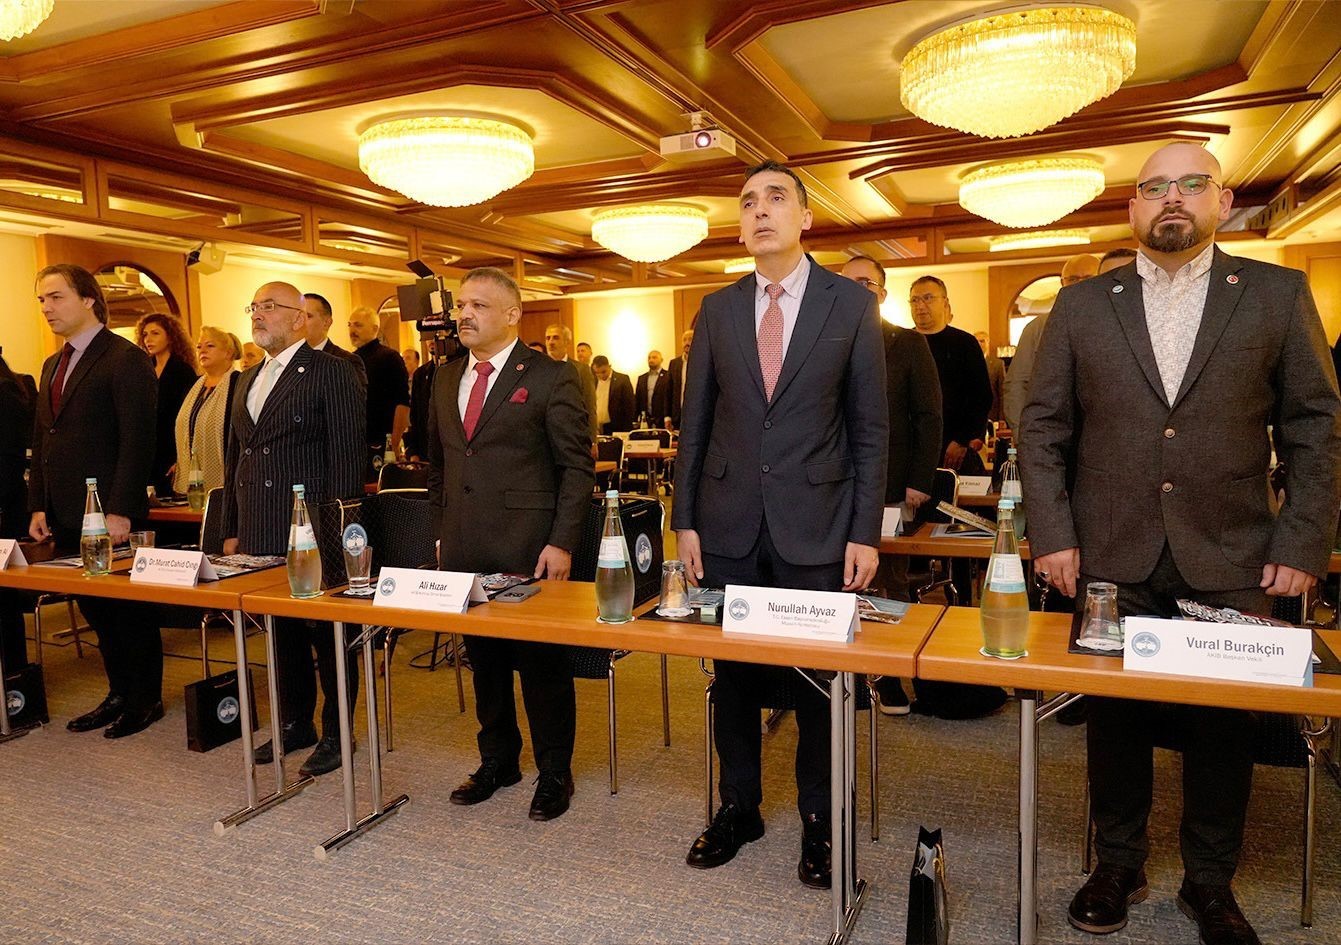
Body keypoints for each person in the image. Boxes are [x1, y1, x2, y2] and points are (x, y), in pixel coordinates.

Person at [1021, 142, 1341, 945]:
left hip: (1234, 551)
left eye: (1190, 184)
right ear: (1132, 208)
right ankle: (1116, 863)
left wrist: (1303, 539)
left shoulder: (1275, 293)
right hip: (1108, 552)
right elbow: (1043, 427)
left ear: (1221, 202)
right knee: (1114, 719)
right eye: (1153, 187)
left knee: (1221, 726)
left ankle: (1208, 881)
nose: (1171, 198)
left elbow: (1314, 426)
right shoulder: (1080, 305)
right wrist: (1052, 533)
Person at [673, 161, 887, 888]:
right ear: (739, 226)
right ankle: (739, 808)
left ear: (804, 217)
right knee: (732, 679)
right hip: (727, 522)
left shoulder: (848, 304)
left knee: (818, 684)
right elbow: (695, 423)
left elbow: (869, 429)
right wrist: (684, 519)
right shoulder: (717, 308)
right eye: (747, 202)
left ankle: (820, 821)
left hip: (818, 525)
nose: (759, 211)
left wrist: (864, 531)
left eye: (775, 198)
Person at [427, 267, 593, 821]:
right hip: (464, 545)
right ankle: (498, 760)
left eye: (478, 305)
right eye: (461, 305)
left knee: (542, 669)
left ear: (513, 314)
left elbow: (576, 469)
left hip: (530, 547)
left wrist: (562, 542)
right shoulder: (444, 378)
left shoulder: (551, 376)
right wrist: (441, 531)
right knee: (486, 664)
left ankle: (554, 771)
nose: (464, 314)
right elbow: (439, 465)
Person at [221, 282, 366, 776]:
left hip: (315, 527)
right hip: (260, 525)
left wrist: (342, 535)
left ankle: (337, 732)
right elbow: (235, 459)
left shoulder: (331, 370)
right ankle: (294, 723)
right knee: (280, 633)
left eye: (270, 307)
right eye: (254, 306)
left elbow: (347, 457)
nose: (258, 315)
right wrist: (231, 528)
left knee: (329, 635)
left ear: (300, 318)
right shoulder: (247, 377)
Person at [29, 264, 163, 738]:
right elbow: (44, 438)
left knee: (127, 610)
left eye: (56, 297)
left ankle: (145, 700)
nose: (46, 308)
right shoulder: (53, 363)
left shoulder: (125, 358)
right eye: (41, 300)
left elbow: (138, 441)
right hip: (67, 511)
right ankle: (118, 692)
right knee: (96, 609)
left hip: (109, 512)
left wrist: (121, 509)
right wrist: (39, 504)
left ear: (88, 299)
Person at [840, 255, 942, 715]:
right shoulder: (823, 338)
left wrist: (919, 480)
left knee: (889, 582)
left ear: (882, 293)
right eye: (849, 282)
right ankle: (848, 676)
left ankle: (891, 676)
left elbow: (928, 415)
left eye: (868, 283)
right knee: (837, 583)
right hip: (832, 486)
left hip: (891, 483)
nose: (859, 290)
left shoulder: (907, 343)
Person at [1003, 253, 1100, 435]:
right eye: (1073, 279)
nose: (1079, 284)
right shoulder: (1037, 328)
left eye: (1088, 278)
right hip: (1051, 433)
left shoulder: (1115, 323)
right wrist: (1021, 432)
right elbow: (1017, 384)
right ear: (1062, 283)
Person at [909, 276, 991, 474]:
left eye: (928, 298)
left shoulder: (965, 343)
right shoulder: (902, 343)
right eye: (914, 300)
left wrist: (962, 439)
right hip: (911, 448)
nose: (920, 306)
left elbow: (981, 396)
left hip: (954, 448)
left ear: (945, 303)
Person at [172, 326, 240, 496]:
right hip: (192, 473)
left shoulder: (238, 383)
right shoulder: (195, 386)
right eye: (199, 347)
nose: (202, 351)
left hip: (231, 474)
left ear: (228, 353)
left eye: (210, 346)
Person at [137, 312, 199, 496]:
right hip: (148, 449)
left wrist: (181, 458)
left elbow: (188, 417)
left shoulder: (182, 371)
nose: (148, 339)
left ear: (170, 337)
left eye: (155, 333)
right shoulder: (143, 369)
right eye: (145, 334)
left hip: (172, 448)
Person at [0, 351, 34, 673]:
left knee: (3, 603)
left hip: (4, 508)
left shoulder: (6, 390)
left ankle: (13, 674)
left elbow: (10, 463)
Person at [348, 305, 409, 465]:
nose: (352, 330)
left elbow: (402, 403)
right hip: (356, 441)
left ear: (374, 328)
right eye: (350, 325)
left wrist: (394, 442)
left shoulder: (390, 357)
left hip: (382, 440)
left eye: (358, 325)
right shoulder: (349, 360)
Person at [544, 323, 598, 447]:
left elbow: (590, 405)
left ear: (567, 342)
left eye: (556, 338)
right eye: (548, 338)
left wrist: (592, 440)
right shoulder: (539, 368)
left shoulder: (581, 370)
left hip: (573, 435)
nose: (551, 342)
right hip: (545, 437)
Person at [303, 293, 367, 391]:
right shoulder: (288, 358)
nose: (300, 321)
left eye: (308, 316)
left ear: (326, 323)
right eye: (298, 316)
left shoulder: (346, 362)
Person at [591, 354, 635, 434]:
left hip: (616, 426)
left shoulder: (622, 380)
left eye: (603, 372)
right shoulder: (593, 381)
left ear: (609, 366)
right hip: (597, 426)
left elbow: (630, 405)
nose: (600, 375)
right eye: (597, 373)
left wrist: (626, 429)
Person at [975, 331, 1005, 425]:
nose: (979, 344)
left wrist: (1002, 418)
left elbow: (1002, 393)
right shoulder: (965, 363)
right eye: (976, 341)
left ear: (988, 343)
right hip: (972, 416)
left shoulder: (997, 364)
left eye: (982, 341)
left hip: (992, 416)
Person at [635, 349, 671, 426]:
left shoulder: (668, 376)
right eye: (649, 358)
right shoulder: (642, 378)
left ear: (661, 360)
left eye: (654, 357)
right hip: (645, 420)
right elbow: (637, 400)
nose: (651, 360)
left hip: (663, 420)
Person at [668, 329, 693, 429]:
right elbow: (669, 390)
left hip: (697, 414)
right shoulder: (674, 363)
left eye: (690, 339)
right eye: (684, 340)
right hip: (678, 416)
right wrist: (667, 416)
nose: (687, 343)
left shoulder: (703, 362)